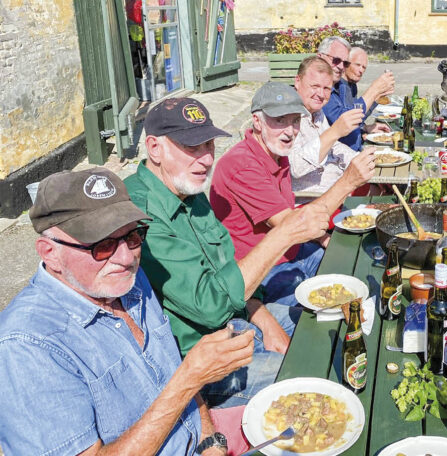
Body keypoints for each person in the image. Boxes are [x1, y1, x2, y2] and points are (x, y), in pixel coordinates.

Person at [0, 168, 252, 455]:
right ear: (49, 253)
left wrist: (210, 443)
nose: (125, 257)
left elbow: (178, 378)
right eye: (102, 245)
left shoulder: (125, 279)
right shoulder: (25, 348)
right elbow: (184, 380)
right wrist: (189, 379)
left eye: (133, 235)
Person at [126, 98, 328, 409]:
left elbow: (228, 264)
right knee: (309, 376)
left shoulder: (187, 191)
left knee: (323, 327)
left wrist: (263, 318)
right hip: (200, 362)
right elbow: (211, 305)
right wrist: (285, 233)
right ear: (154, 148)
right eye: (192, 148)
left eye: (209, 145)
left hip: (238, 321)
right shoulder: (140, 211)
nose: (206, 160)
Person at [210, 82, 374, 307]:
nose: (290, 131)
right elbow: (291, 225)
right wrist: (348, 182)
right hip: (264, 272)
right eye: (279, 120)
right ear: (257, 121)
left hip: (293, 251)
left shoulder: (277, 153)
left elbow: (289, 217)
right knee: (332, 313)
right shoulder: (241, 164)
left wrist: (321, 237)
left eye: (295, 120)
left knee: (361, 269)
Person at [290, 56, 363, 196]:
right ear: (297, 81)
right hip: (314, 201)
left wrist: (360, 159)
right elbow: (296, 167)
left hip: (338, 185)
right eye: (315, 86)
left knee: (385, 187)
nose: (321, 94)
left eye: (326, 88)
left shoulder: (316, 111)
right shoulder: (286, 116)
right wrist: (335, 131)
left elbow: (333, 145)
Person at [319, 38, 393, 151]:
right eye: (336, 60)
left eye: (343, 62)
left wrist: (365, 127)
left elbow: (354, 116)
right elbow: (344, 119)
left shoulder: (346, 86)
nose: (340, 66)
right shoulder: (323, 90)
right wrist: (374, 90)